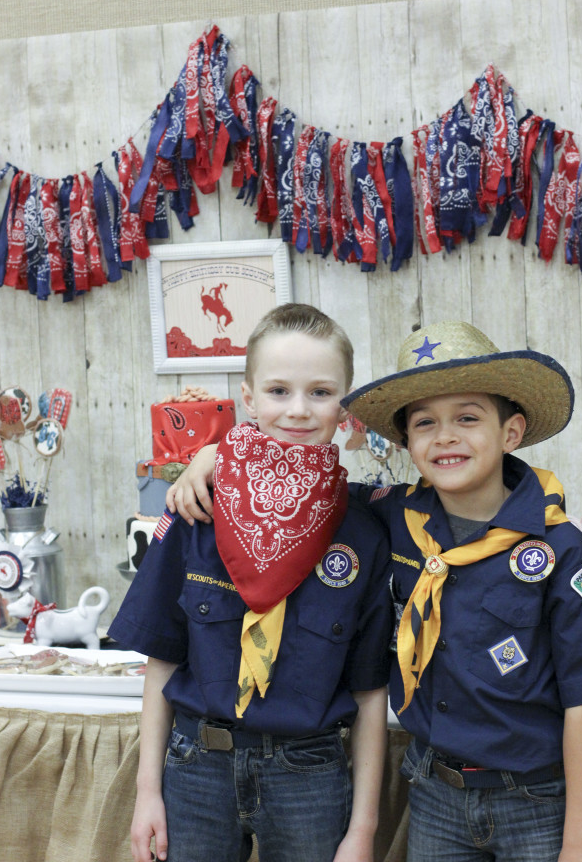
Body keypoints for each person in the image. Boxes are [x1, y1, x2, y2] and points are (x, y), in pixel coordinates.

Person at [170, 319, 582, 862]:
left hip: (537, 799)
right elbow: (299, 478)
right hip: (435, 795)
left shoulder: (563, 554)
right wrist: (214, 457)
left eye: (468, 418)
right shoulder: (390, 514)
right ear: (406, 441)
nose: (445, 437)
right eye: (425, 423)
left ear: (512, 432)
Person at [109, 303, 392, 862]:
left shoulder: (363, 529)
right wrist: (147, 795)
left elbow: (370, 691)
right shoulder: (196, 507)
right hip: (196, 770)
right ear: (248, 397)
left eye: (320, 392)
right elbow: (162, 664)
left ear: (346, 406)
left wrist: (363, 830)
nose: (298, 409)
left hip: (309, 775)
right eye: (279, 390)